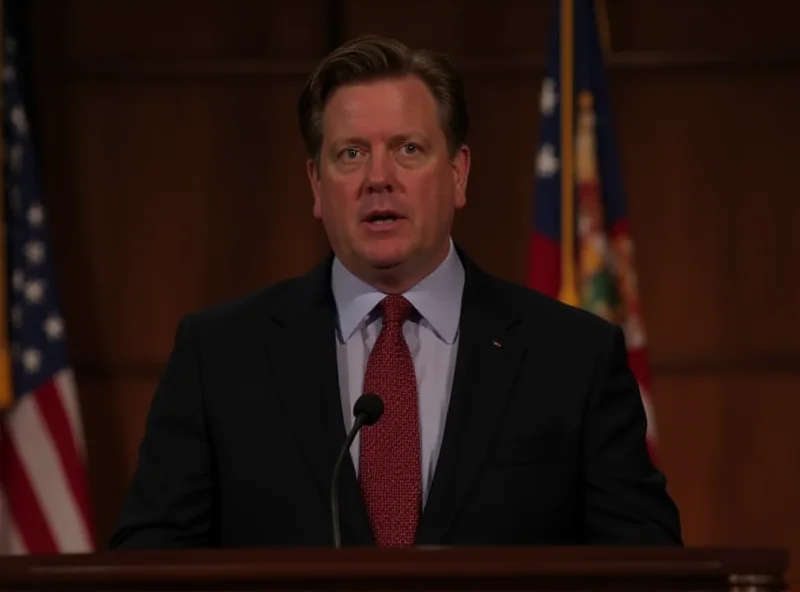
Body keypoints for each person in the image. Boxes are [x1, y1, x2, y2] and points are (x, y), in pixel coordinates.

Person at [109, 34, 682, 549]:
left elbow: (645, 565)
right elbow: (150, 562)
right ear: (316, 184)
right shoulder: (220, 356)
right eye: (350, 153)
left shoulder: (574, 357)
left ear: (457, 173)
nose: (377, 177)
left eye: (408, 149)